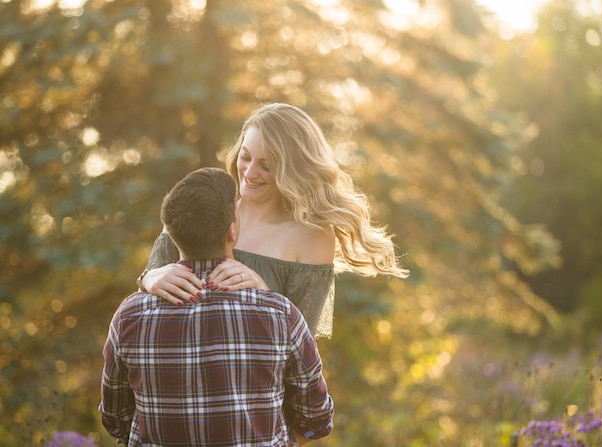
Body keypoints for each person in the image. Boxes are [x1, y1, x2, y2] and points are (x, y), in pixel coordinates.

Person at [99, 167, 334, 446]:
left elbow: (115, 419)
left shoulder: (130, 315)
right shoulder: (280, 315)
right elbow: (317, 418)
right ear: (232, 231)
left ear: (172, 236)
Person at [138, 103, 408, 338]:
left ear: (293, 169)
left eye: (266, 165)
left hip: (259, 392)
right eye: (246, 157)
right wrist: (148, 278)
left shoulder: (312, 236)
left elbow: (302, 352)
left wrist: (264, 293)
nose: (250, 172)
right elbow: (146, 309)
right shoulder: (203, 204)